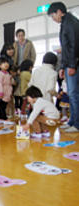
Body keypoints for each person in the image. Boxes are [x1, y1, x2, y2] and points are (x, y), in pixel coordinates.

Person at [48, 2, 79, 133]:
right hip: (68, 63)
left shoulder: (71, 23)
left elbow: (73, 46)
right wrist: (62, 66)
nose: (53, 18)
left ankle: (77, 124)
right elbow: (66, 48)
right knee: (71, 94)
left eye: (53, 15)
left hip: (74, 64)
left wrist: (71, 65)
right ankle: (72, 120)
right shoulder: (65, 23)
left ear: (60, 11)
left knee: (73, 94)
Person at [0, 57, 14, 124]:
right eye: (3, 63)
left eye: (7, 62)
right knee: (2, 106)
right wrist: (0, 92)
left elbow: (10, 82)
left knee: (4, 105)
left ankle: (0, 117)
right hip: (2, 92)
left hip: (7, 92)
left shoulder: (7, 73)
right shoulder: (0, 74)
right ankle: (3, 117)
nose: (6, 64)